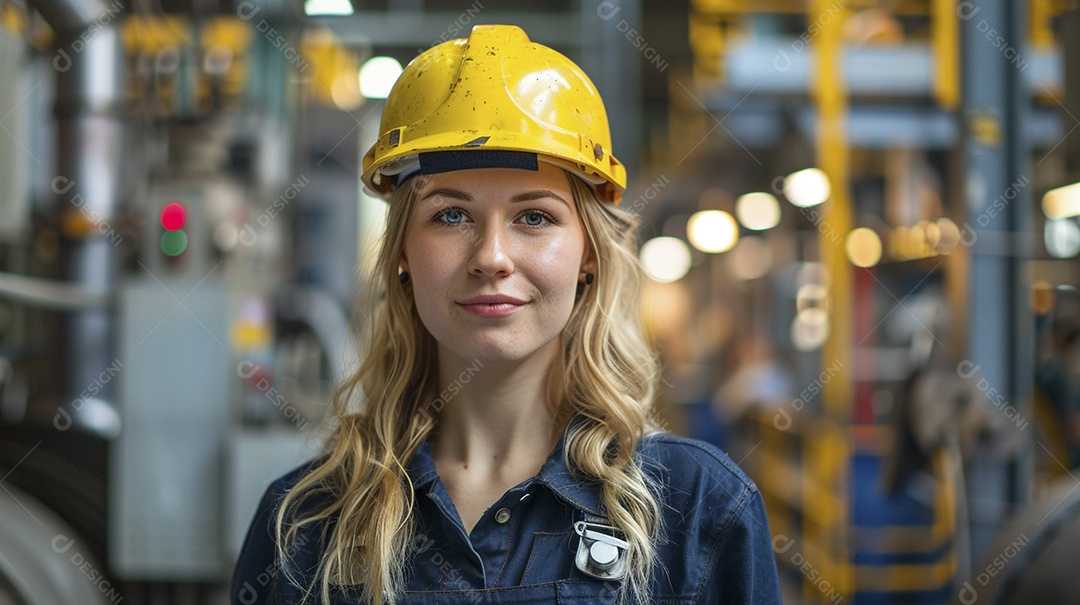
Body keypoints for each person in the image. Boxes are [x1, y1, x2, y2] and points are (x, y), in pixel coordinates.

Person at [231, 24, 782, 605]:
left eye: (535, 217)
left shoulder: (698, 512)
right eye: (450, 216)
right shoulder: (304, 525)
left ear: (587, 257)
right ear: (402, 256)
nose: (492, 257)